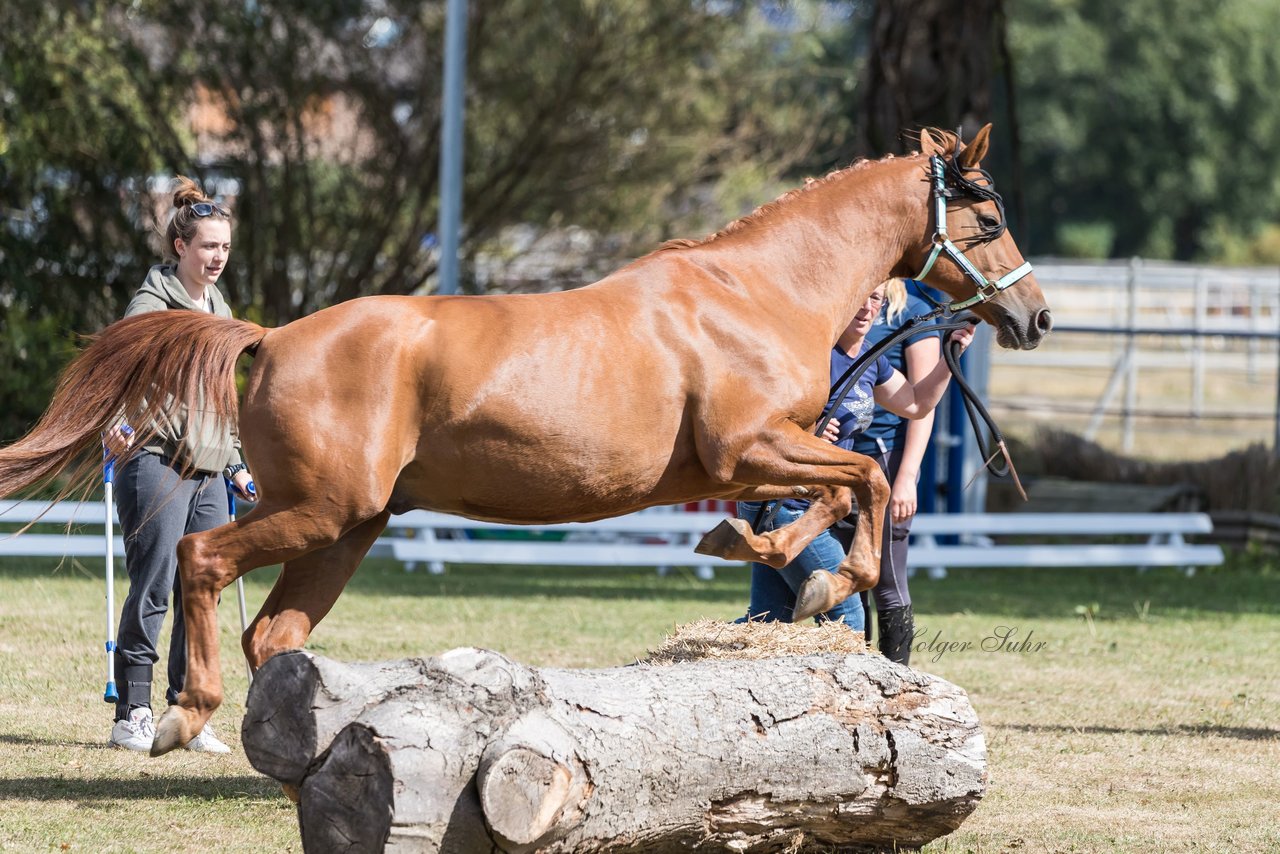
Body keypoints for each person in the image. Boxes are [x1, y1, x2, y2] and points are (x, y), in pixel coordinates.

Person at [102, 177, 255, 752]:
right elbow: (118, 368)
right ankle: (131, 713)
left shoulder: (220, 307)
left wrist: (238, 460)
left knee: (204, 589)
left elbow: (222, 393)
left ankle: (187, 711)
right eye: (207, 247)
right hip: (155, 459)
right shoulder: (153, 303)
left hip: (212, 466)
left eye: (224, 248)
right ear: (180, 248)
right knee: (156, 585)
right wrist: (115, 419)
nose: (217, 258)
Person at [735, 283, 971, 633]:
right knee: (847, 612)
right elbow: (759, 413)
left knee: (768, 620)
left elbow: (916, 404)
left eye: (874, 299)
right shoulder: (812, 354)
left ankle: (687, 661)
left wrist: (951, 356)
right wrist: (806, 426)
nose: (866, 307)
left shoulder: (870, 358)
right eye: (858, 298)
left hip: (815, 504)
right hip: (783, 502)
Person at [854, 279, 943, 665]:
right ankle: (849, 680)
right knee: (845, 583)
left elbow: (922, 404)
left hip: (883, 458)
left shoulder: (912, 306)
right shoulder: (846, 289)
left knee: (887, 579)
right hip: (834, 458)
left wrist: (907, 475)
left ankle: (896, 679)